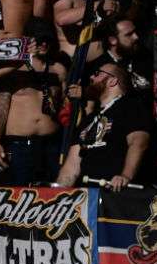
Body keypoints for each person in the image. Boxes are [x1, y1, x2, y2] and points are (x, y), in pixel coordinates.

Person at [0, 21, 68, 186]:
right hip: (20, 144)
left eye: (47, 40)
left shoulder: (58, 69)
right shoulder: (13, 68)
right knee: (20, 192)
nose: (44, 44)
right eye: (39, 40)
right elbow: (1, 108)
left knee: (51, 193)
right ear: (28, 40)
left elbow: (65, 105)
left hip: (51, 143)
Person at [59, 61, 151, 190]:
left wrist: (125, 176)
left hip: (115, 192)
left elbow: (138, 142)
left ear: (112, 81)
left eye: (97, 74)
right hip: (87, 194)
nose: (92, 77)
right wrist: (58, 193)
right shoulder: (89, 119)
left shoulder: (131, 107)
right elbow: (72, 165)